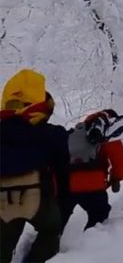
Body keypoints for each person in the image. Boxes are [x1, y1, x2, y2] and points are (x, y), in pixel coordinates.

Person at [0, 70, 69, 263]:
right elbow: (62, 169)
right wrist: (63, 199)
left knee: (3, 245)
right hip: (38, 198)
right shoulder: (51, 133)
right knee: (50, 229)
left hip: (2, 202)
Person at [61, 110, 123, 231]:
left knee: (54, 226)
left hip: (66, 183)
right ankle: (89, 248)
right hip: (92, 185)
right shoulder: (108, 131)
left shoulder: (77, 132)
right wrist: (116, 178)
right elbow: (120, 162)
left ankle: (43, 247)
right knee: (99, 216)